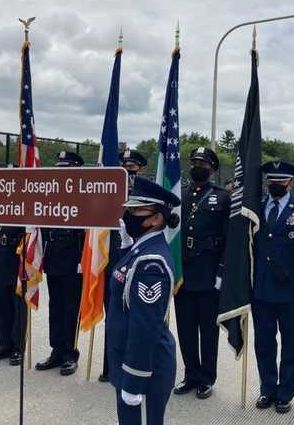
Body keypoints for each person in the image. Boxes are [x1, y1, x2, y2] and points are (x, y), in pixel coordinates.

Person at [106, 176, 180, 425]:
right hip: (128, 359)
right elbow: (125, 284)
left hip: (145, 369)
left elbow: (144, 327)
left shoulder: (152, 264)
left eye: (137, 210)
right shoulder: (140, 250)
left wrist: (135, 380)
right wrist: (127, 246)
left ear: (156, 218)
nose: (129, 214)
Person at [251, 160, 294, 414]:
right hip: (261, 289)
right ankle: (267, 389)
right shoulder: (256, 209)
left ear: (290, 183)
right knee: (264, 343)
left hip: (291, 289)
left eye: (280, 181)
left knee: (292, 344)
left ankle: (285, 393)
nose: (275, 185)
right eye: (272, 181)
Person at [173, 147, 230, 399]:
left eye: (204, 163)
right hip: (182, 272)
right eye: (195, 162)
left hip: (208, 272)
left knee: (208, 329)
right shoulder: (179, 194)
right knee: (185, 329)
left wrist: (221, 271)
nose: (198, 166)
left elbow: (229, 238)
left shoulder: (222, 198)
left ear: (213, 169)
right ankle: (190, 374)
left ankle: (207, 377)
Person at [98, 149, 148, 383]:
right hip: (113, 262)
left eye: (132, 167)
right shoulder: (110, 193)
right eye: (124, 166)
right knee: (113, 318)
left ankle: (135, 365)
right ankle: (111, 366)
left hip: (137, 264)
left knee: (137, 319)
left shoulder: (146, 195)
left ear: (141, 169)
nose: (128, 171)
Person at [35, 151, 85, 376]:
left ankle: (70, 354)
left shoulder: (83, 197)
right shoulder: (50, 196)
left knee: (70, 308)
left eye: (67, 168)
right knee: (55, 307)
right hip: (53, 258)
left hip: (74, 260)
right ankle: (56, 351)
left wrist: (83, 259)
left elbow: (88, 233)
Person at [0, 225, 27, 366]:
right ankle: (4, 345)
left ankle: (17, 348)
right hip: (0, 257)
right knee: (1, 305)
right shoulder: (0, 206)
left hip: (17, 257)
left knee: (18, 307)